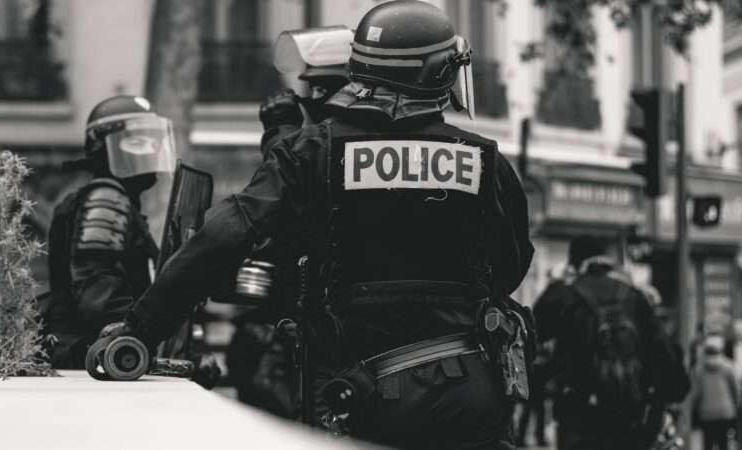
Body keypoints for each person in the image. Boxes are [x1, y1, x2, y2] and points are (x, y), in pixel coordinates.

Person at [99, 1, 534, 448]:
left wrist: (141, 329)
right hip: (467, 393)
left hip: (358, 393)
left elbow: (224, 236)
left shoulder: (312, 151)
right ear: (438, 73)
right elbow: (511, 266)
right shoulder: (484, 160)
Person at [225, 27, 352, 418]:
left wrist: (281, 136)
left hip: (337, 337)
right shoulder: (320, 144)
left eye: (321, 91)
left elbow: (294, 208)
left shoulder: (336, 148)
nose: (309, 101)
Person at [45, 95, 175, 369]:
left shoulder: (119, 201)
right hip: (95, 358)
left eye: (153, 141)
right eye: (137, 141)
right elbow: (99, 293)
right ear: (104, 147)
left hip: (104, 357)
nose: (150, 149)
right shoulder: (106, 199)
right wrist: (138, 334)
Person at [541, 235, 689, 450]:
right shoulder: (634, 296)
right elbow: (664, 355)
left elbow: (534, 336)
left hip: (579, 418)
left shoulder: (566, 296)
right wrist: (665, 401)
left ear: (574, 263)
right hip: (630, 418)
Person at [693, 335, 738, 450]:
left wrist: (695, 411)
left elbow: (697, 394)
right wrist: (736, 406)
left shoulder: (699, 369)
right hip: (725, 411)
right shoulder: (728, 366)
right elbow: (735, 389)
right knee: (723, 444)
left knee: (708, 444)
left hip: (706, 413)